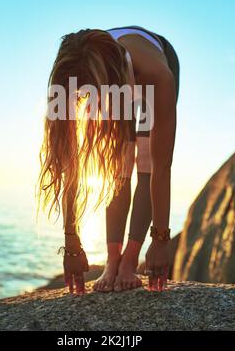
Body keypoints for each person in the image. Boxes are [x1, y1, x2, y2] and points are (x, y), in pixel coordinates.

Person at [37, 25, 180, 294]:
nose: (90, 106)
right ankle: (112, 259)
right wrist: (71, 244)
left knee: (147, 160)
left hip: (141, 74)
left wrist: (160, 240)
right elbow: (70, 167)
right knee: (118, 165)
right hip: (109, 74)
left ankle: (129, 259)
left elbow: (162, 166)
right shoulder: (70, 80)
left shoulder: (157, 74)